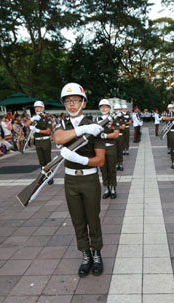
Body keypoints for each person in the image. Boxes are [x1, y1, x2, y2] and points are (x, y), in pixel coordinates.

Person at [53, 83, 106, 277]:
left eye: (75, 100)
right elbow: (58, 138)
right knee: (77, 220)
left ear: (83, 103)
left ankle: (97, 253)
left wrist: (80, 159)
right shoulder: (63, 125)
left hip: (89, 179)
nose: (71, 104)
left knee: (93, 218)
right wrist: (82, 130)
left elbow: (100, 160)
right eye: (68, 101)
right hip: (71, 181)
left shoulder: (95, 126)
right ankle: (85, 254)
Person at [97, 99, 120, 199]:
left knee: (111, 169)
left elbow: (116, 134)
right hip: (100, 148)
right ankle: (107, 188)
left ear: (110, 108)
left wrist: (105, 136)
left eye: (106, 106)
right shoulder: (96, 119)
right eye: (102, 107)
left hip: (110, 147)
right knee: (103, 170)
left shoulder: (114, 119)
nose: (104, 108)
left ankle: (113, 188)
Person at [29, 100, 54, 182]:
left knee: (47, 159)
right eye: (36, 107)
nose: (37, 109)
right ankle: (43, 175)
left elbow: (48, 131)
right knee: (41, 160)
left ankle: (50, 176)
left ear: (42, 108)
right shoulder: (34, 118)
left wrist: (37, 130)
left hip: (45, 141)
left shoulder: (46, 118)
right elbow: (25, 124)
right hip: (37, 141)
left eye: (39, 107)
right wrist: (32, 119)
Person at [113, 104, 126, 171]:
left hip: (120, 135)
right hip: (114, 136)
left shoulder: (122, 117)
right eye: (116, 109)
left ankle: (120, 163)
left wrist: (116, 127)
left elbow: (123, 127)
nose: (117, 111)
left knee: (120, 150)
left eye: (118, 109)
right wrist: (118, 127)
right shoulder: (112, 117)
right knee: (114, 150)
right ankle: (115, 163)